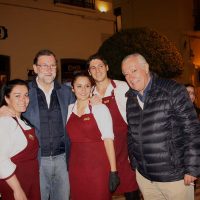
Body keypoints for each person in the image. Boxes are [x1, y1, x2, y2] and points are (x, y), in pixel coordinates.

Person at [121, 53, 200, 200]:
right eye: (126, 74)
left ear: (146, 68)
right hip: (146, 178)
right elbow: (131, 133)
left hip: (175, 178)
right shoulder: (130, 99)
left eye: (134, 70)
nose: (130, 77)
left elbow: (192, 130)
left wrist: (192, 168)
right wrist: (135, 163)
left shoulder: (172, 90)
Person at [0, 50, 75, 200]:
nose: (49, 69)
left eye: (53, 65)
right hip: (37, 161)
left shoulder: (67, 92)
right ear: (35, 68)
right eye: (44, 65)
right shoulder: (25, 92)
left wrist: (93, 100)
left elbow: (83, 105)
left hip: (62, 160)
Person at [87, 54, 139, 200]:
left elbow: (135, 117)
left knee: (131, 190)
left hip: (124, 149)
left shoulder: (122, 87)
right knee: (104, 191)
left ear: (107, 67)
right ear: (89, 72)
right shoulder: (89, 93)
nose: (97, 70)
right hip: (103, 150)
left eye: (100, 66)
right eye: (93, 68)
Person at [66, 72, 120, 200]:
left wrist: (113, 171)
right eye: (79, 86)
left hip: (98, 167)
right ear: (72, 88)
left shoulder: (100, 108)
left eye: (87, 86)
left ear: (92, 88)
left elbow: (108, 140)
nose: (83, 90)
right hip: (76, 166)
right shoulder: (68, 109)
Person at [0, 79, 41, 200]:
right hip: (15, 183)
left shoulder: (23, 121)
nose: (23, 100)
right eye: (17, 96)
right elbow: (1, 160)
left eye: (26, 95)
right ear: (7, 99)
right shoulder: (5, 122)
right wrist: (17, 190)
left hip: (30, 181)